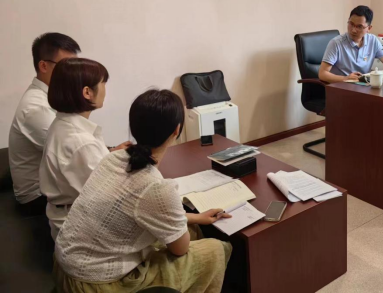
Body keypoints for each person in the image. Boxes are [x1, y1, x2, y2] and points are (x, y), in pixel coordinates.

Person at [53, 89, 232, 293]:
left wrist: (197, 218)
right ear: (177, 130)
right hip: (95, 284)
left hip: (66, 266)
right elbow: (180, 249)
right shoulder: (155, 187)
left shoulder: (113, 158)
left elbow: (146, 210)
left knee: (191, 229)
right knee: (215, 250)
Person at [39, 58, 131, 240]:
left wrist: (109, 154)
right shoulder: (81, 142)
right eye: (103, 83)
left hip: (69, 216)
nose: (105, 89)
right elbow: (111, 196)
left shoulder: (62, 124)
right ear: (87, 92)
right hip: (84, 228)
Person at [8, 33, 81, 216]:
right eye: (67, 66)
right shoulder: (36, 108)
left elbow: (76, 141)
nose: (74, 74)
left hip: (55, 182)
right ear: (43, 66)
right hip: (37, 197)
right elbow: (69, 157)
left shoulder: (51, 97)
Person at [319, 5, 383, 83]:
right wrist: (346, 78)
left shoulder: (373, 40)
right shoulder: (336, 43)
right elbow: (322, 74)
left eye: (359, 26)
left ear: (369, 28)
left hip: (363, 85)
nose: (353, 30)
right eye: (351, 24)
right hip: (342, 86)